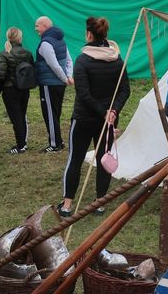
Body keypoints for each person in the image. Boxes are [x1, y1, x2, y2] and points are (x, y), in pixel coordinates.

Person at [59, 16, 130, 217]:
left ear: (89, 34)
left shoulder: (83, 60)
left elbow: (83, 93)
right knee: (103, 159)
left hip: (84, 118)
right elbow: (125, 91)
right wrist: (112, 112)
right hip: (106, 120)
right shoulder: (117, 59)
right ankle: (99, 203)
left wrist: (109, 112)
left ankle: (67, 206)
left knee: (75, 159)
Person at [35, 16, 74, 152]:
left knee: (49, 113)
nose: (36, 29)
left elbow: (54, 65)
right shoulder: (61, 40)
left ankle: (54, 144)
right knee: (55, 112)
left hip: (49, 84)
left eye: (37, 25)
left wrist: (65, 78)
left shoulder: (46, 43)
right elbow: (69, 60)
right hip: (59, 84)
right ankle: (59, 141)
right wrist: (68, 76)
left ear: (45, 26)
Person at [0, 27, 35, 154]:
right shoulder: (28, 53)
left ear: (8, 37)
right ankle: (23, 143)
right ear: (20, 37)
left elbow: (0, 75)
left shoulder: (5, 53)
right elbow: (31, 70)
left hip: (10, 89)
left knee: (16, 118)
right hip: (24, 88)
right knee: (22, 115)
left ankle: (20, 145)